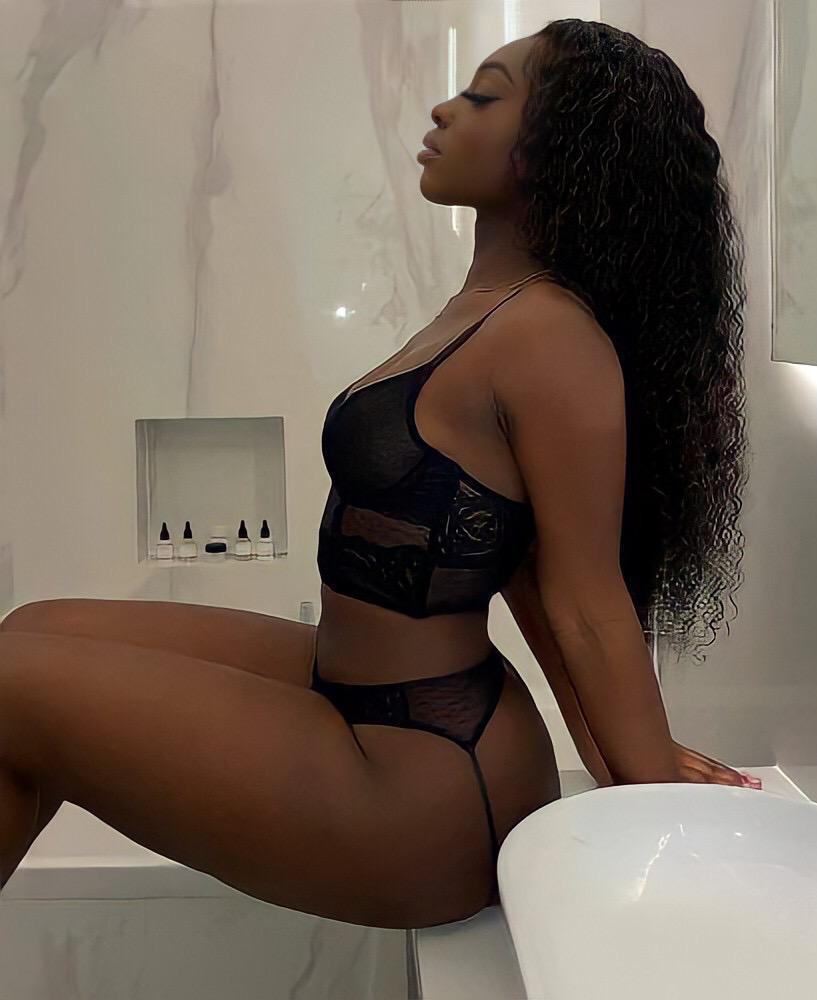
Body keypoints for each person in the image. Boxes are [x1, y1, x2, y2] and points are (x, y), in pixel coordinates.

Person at [0, 19, 751, 931]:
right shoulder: (490, 310)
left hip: (427, 782)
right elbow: (525, 571)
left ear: (559, 148)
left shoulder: (550, 335)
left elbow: (587, 605)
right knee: (33, 628)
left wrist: (651, 792)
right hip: (376, 700)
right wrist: (603, 750)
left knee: (7, 680)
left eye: (483, 95)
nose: (443, 109)